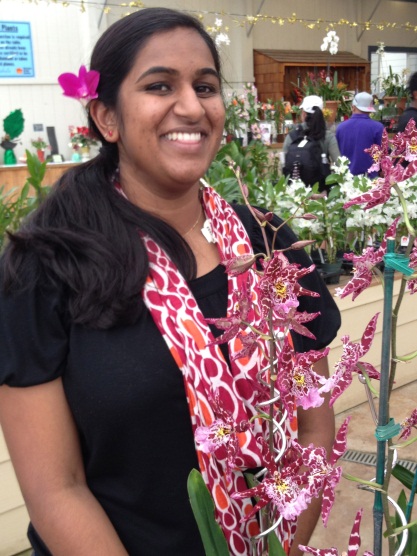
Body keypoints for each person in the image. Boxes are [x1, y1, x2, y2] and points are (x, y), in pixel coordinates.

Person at [0, 8, 340, 556]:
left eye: (205, 87)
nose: (192, 107)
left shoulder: (269, 243)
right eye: (159, 86)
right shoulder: (46, 268)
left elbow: (313, 429)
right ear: (106, 117)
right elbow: (56, 489)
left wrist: (282, 547)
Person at [282, 95, 340, 191]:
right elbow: (339, 164)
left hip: (296, 191)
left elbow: (284, 164)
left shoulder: (292, 135)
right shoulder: (327, 136)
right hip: (320, 190)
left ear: (304, 113)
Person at [336, 91, 384, 178]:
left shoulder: (340, 128)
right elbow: (383, 154)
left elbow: (336, 154)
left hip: (346, 179)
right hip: (370, 179)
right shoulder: (378, 127)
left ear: (353, 107)